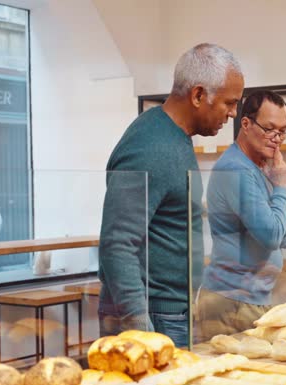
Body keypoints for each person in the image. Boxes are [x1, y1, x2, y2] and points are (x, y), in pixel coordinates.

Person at [98, 43, 244, 347]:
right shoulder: (151, 146)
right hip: (155, 318)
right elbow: (117, 243)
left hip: (171, 311)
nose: (232, 113)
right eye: (229, 103)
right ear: (198, 95)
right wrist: (140, 329)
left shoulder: (173, 136)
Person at [195, 90, 286, 342]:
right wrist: (282, 186)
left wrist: (278, 220)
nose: (277, 139)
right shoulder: (236, 169)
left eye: (282, 131)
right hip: (232, 300)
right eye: (269, 129)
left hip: (248, 297)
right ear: (246, 124)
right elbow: (273, 235)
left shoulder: (260, 168)